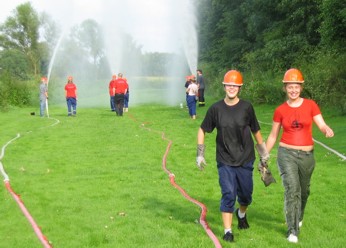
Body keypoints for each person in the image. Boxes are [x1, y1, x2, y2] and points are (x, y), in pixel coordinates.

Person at [196, 70, 269, 242]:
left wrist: (264, 154)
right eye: (229, 85)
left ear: (240, 88)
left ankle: (241, 213)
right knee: (228, 193)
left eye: (235, 86)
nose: (231, 88)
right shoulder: (216, 109)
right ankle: (228, 231)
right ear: (224, 86)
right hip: (225, 160)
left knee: (246, 195)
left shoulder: (246, 107)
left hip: (245, 158)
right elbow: (202, 129)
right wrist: (200, 154)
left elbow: (256, 131)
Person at [265, 68, 334, 243]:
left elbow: (321, 123)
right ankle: (292, 230)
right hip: (286, 154)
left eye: (296, 86)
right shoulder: (280, 110)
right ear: (285, 88)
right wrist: (264, 154)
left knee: (304, 192)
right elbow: (273, 135)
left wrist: (326, 129)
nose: (293, 90)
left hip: (307, 156)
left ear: (301, 87)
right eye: (290, 87)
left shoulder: (311, 105)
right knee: (292, 190)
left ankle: (298, 215)